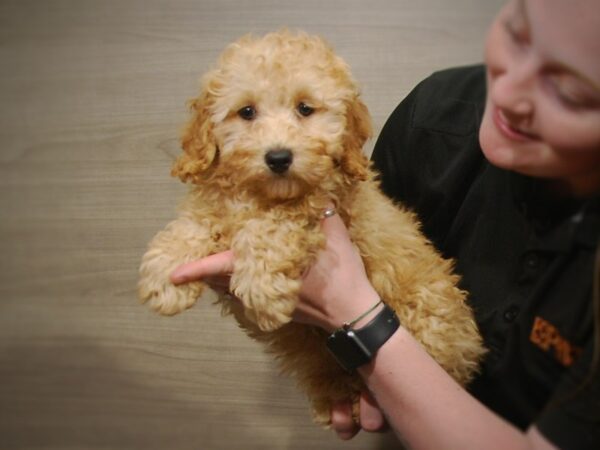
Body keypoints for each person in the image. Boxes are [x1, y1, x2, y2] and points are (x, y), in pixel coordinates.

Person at [170, 0, 600, 448]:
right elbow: (361, 253)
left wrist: (356, 318)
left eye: (568, 90)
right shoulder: (434, 116)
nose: (508, 94)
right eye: (519, 32)